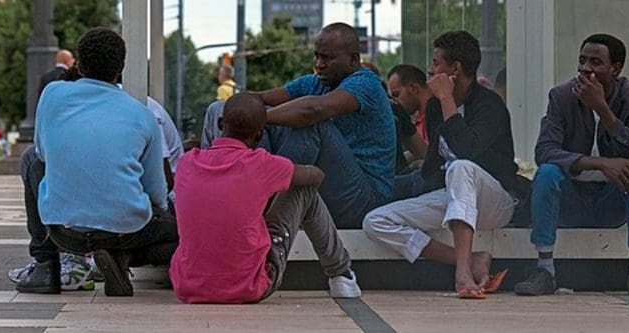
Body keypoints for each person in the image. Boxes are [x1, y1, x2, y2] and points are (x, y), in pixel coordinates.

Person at [14, 28, 178, 297]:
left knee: (32, 162)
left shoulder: (52, 94)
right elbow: (157, 193)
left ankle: (46, 265)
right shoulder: (142, 114)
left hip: (63, 232)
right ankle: (120, 258)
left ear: (78, 62)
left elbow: (42, 155)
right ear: (121, 67)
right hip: (126, 231)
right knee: (178, 234)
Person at [363, 30, 522, 298]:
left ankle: (462, 275)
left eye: (436, 63)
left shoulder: (489, 105)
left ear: (454, 69)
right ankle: (472, 258)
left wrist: (447, 98)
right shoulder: (436, 107)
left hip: (496, 201)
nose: (430, 68)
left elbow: (464, 151)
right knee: (376, 220)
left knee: (461, 168)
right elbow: (434, 165)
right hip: (455, 198)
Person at [513, 33, 629, 297]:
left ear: (615, 69)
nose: (585, 68)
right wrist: (601, 163)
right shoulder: (561, 97)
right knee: (547, 173)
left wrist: (603, 110)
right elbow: (545, 151)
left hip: (611, 202)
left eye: (595, 62)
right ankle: (544, 269)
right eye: (582, 61)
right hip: (570, 201)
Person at [170, 93, 361, 303]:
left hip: (188, 287)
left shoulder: (186, 163)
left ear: (220, 123)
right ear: (261, 135)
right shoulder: (262, 164)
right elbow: (314, 176)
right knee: (304, 189)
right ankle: (341, 274)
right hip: (248, 287)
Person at [255, 22, 396, 228]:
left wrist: (258, 117)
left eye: (328, 58)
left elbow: (314, 110)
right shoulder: (314, 82)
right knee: (229, 109)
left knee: (313, 125)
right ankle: (237, 188)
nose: (319, 64)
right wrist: (234, 109)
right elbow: (263, 99)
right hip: (334, 188)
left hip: (364, 199)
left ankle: (262, 201)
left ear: (354, 59)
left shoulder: (367, 83)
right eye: (317, 56)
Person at [388, 64, 433, 144]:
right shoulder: (418, 121)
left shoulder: (437, 115)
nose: (395, 102)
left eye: (396, 95)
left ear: (413, 88)